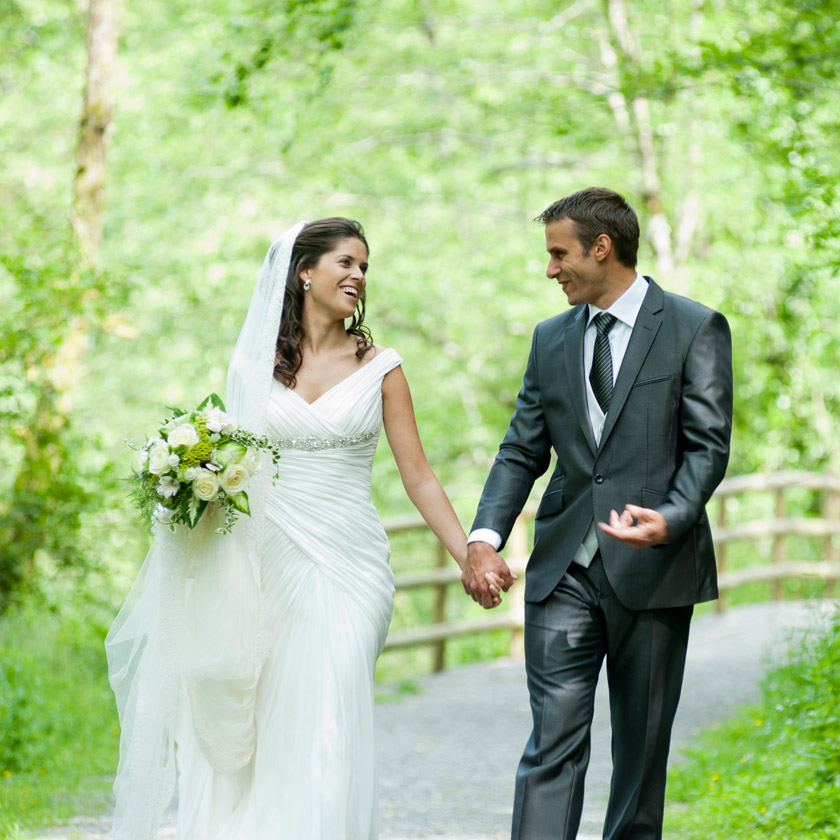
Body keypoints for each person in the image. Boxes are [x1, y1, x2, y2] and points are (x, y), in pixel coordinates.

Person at [106, 217, 469, 840]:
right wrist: (193, 483)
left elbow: (420, 477)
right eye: (345, 263)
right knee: (271, 723)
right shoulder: (251, 370)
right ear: (305, 272)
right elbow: (233, 471)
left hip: (351, 566)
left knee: (329, 706)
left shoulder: (383, 367)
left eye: (363, 267)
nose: (358, 276)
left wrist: (469, 556)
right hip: (264, 562)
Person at [462, 188, 733, 840]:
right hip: (563, 570)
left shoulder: (695, 327)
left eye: (559, 254)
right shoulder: (551, 339)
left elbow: (708, 444)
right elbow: (521, 448)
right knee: (551, 741)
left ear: (602, 247)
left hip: (654, 566)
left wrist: (673, 514)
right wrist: (483, 536)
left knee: (640, 753)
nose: (550, 269)